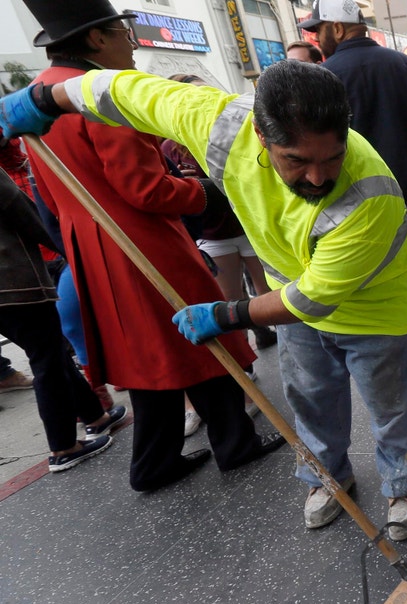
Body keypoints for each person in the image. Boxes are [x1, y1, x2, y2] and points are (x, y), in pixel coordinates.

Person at [2, 59, 407, 537]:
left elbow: (307, 300)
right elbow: (120, 90)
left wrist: (227, 314)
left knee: (392, 405)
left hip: (375, 309)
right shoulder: (220, 124)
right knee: (310, 398)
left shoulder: (368, 197)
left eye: (331, 158)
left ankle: (404, 484)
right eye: (297, 160)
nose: (316, 177)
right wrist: (44, 100)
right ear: (262, 138)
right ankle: (325, 478)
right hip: (296, 293)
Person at [10, 0, 283, 493]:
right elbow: (146, 190)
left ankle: (156, 461)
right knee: (201, 333)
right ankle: (233, 444)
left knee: (147, 355)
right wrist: (206, 191)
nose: (131, 45)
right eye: (122, 32)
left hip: (91, 246)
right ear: (96, 39)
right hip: (143, 242)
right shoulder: (101, 96)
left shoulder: (34, 96)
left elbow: (47, 196)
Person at [301, 1, 407, 371]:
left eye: (318, 28)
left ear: (337, 29)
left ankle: (390, 357)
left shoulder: (325, 78)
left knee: (373, 286)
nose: (314, 36)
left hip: (358, 214)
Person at [0, 169, 129, 471]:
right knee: (46, 359)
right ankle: (63, 447)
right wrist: (65, 245)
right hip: (15, 282)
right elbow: (22, 211)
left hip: (9, 290)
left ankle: (96, 416)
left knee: (52, 350)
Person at [162, 74, 278, 354]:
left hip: (249, 227)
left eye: (208, 94)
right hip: (213, 234)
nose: (204, 102)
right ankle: (243, 358)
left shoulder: (235, 132)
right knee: (229, 300)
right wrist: (187, 184)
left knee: (271, 294)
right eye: (195, 96)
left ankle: (282, 344)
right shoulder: (169, 147)